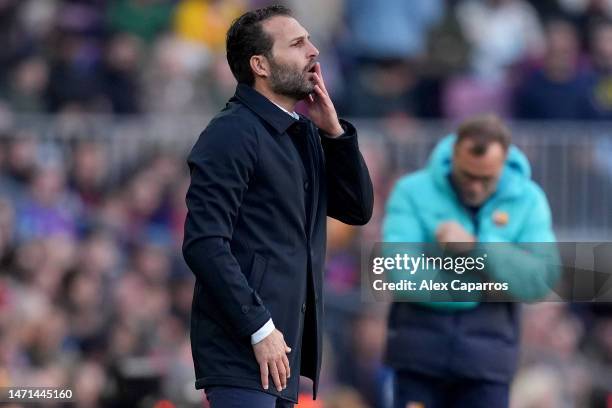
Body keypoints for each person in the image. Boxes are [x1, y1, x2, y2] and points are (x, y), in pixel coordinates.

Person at [182, 5, 373, 408]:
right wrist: (258, 327)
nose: (314, 51)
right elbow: (204, 242)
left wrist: (334, 134)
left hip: (282, 354)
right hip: (243, 351)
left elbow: (356, 209)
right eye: (298, 43)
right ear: (261, 65)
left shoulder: (301, 132)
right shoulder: (231, 132)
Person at [382, 114, 556, 408]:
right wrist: (490, 284)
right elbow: (401, 273)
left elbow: (539, 280)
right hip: (419, 360)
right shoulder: (412, 191)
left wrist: (476, 247)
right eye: (467, 175)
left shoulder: (529, 199)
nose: (474, 186)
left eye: (485, 179)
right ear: (453, 156)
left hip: (487, 366)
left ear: (504, 164)